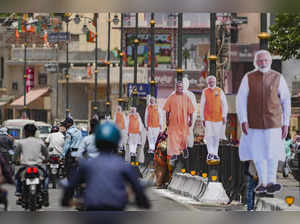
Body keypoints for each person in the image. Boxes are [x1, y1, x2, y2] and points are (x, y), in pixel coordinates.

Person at [61, 122, 151, 211]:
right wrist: (143, 202)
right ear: (116, 142)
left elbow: (71, 186)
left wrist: (65, 200)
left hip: (93, 208)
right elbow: (138, 189)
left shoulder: (87, 165)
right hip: (116, 209)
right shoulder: (124, 166)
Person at [237, 50, 291, 194]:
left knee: (272, 152)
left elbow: (286, 101)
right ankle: (263, 182)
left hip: (274, 122)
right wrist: (243, 120)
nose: (263, 63)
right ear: (256, 62)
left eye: (265, 60)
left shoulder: (278, 77)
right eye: (260, 60)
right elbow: (241, 100)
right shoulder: (248, 78)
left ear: (270, 61)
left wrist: (286, 123)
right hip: (254, 124)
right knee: (258, 153)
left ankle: (272, 181)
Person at [14, 124, 49, 206]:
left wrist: (15, 161)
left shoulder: (21, 142)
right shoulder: (40, 142)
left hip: (25, 166)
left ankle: (18, 191)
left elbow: (16, 155)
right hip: (38, 166)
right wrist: (46, 160)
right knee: (46, 177)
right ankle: (45, 191)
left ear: (25, 132)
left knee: (17, 177)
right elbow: (46, 154)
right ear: (34, 132)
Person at [163, 81, 195, 162]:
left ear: (183, 88)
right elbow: (167, 110)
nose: (179, 88)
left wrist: (191, 120)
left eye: (181, 87)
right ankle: (174, 154)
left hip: (183, 122)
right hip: (173, 122)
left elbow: (190, 110)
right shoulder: (171, 97)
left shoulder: (186, 97)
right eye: (178, 87)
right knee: (173, 138)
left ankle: (184, 149)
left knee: (183, 137)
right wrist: (166, 120)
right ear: (175, 88)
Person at [200, 75, 228, 161]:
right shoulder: (205, 91)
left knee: (216, 136)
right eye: (210, 81)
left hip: (218, 118)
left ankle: (215, 153)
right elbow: (202, 105)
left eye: (212, 81)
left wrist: (224, 115)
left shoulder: (220, 91)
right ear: (208, 82)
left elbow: (224, 104)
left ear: (215, 82)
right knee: (209, 136)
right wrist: (202, 118)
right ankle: (210, 153)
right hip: (208, 118)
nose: (211, 83)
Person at [182, 77, 198, 158]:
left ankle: (188, 150)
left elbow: (194, 110)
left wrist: (192, 120)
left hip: (187, 119)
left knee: (188, 135)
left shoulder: (191, 95)